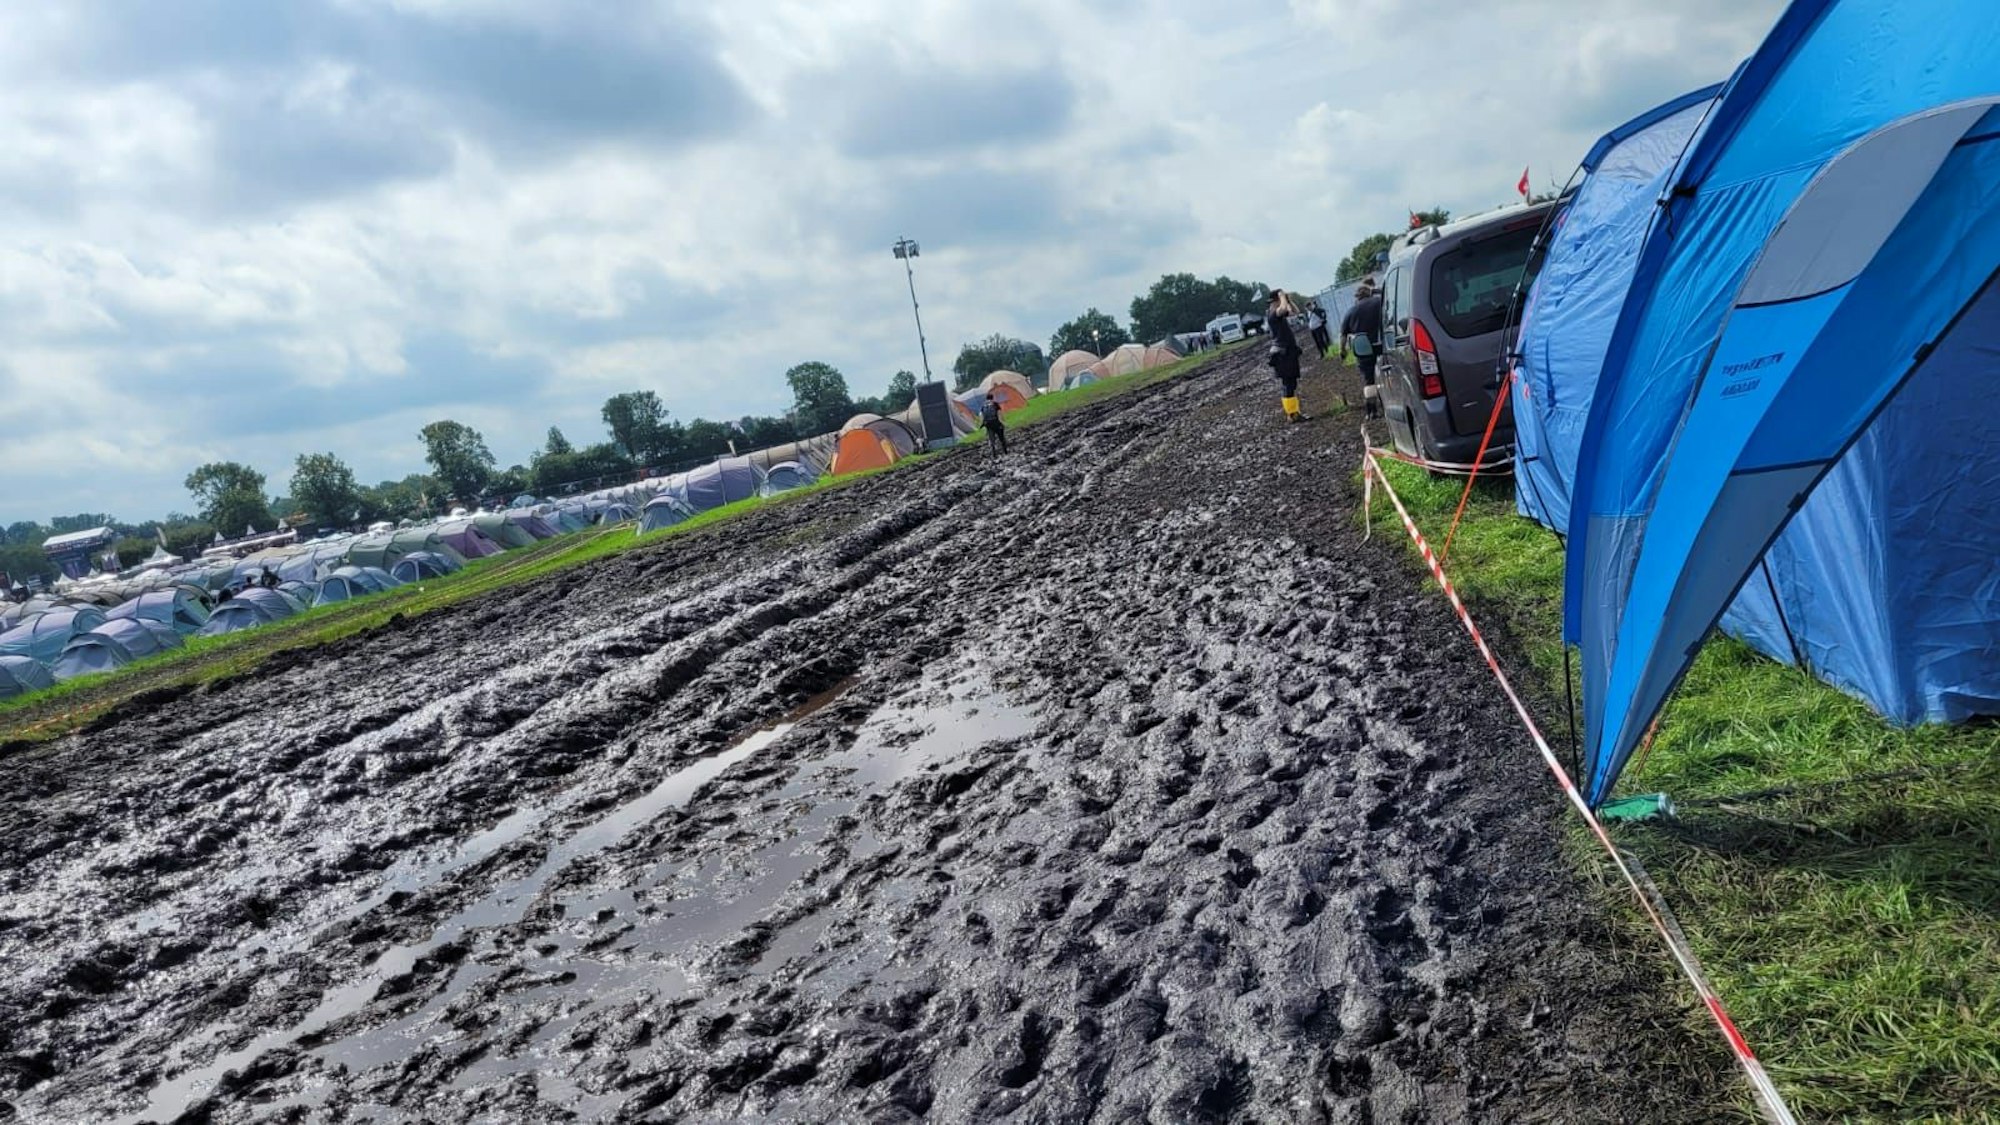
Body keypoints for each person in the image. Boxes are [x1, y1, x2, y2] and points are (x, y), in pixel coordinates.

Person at [1341, 283, 1386, 417]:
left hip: (1363, 348)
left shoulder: (1351, 311)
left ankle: (1371, 410)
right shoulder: (1379, 302)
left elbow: (1343, 334)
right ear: (1369, 293)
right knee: (1386, 371)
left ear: (1357, 297)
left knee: (1369, 379)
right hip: (1381, 343)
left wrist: (1342, 351)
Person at [1265, 289, 1307, 422]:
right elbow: (1283, 308)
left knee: (1290, 383)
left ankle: (1293, 412)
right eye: (1280, 299)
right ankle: (1292, 414)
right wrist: (1282, 296)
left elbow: (1295, 311)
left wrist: (1288, 300)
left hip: (1287, 353)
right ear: (1276, 300)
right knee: (1288, 384)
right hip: (1283, 355)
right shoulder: (1273, 313)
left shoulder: (1277, 314)